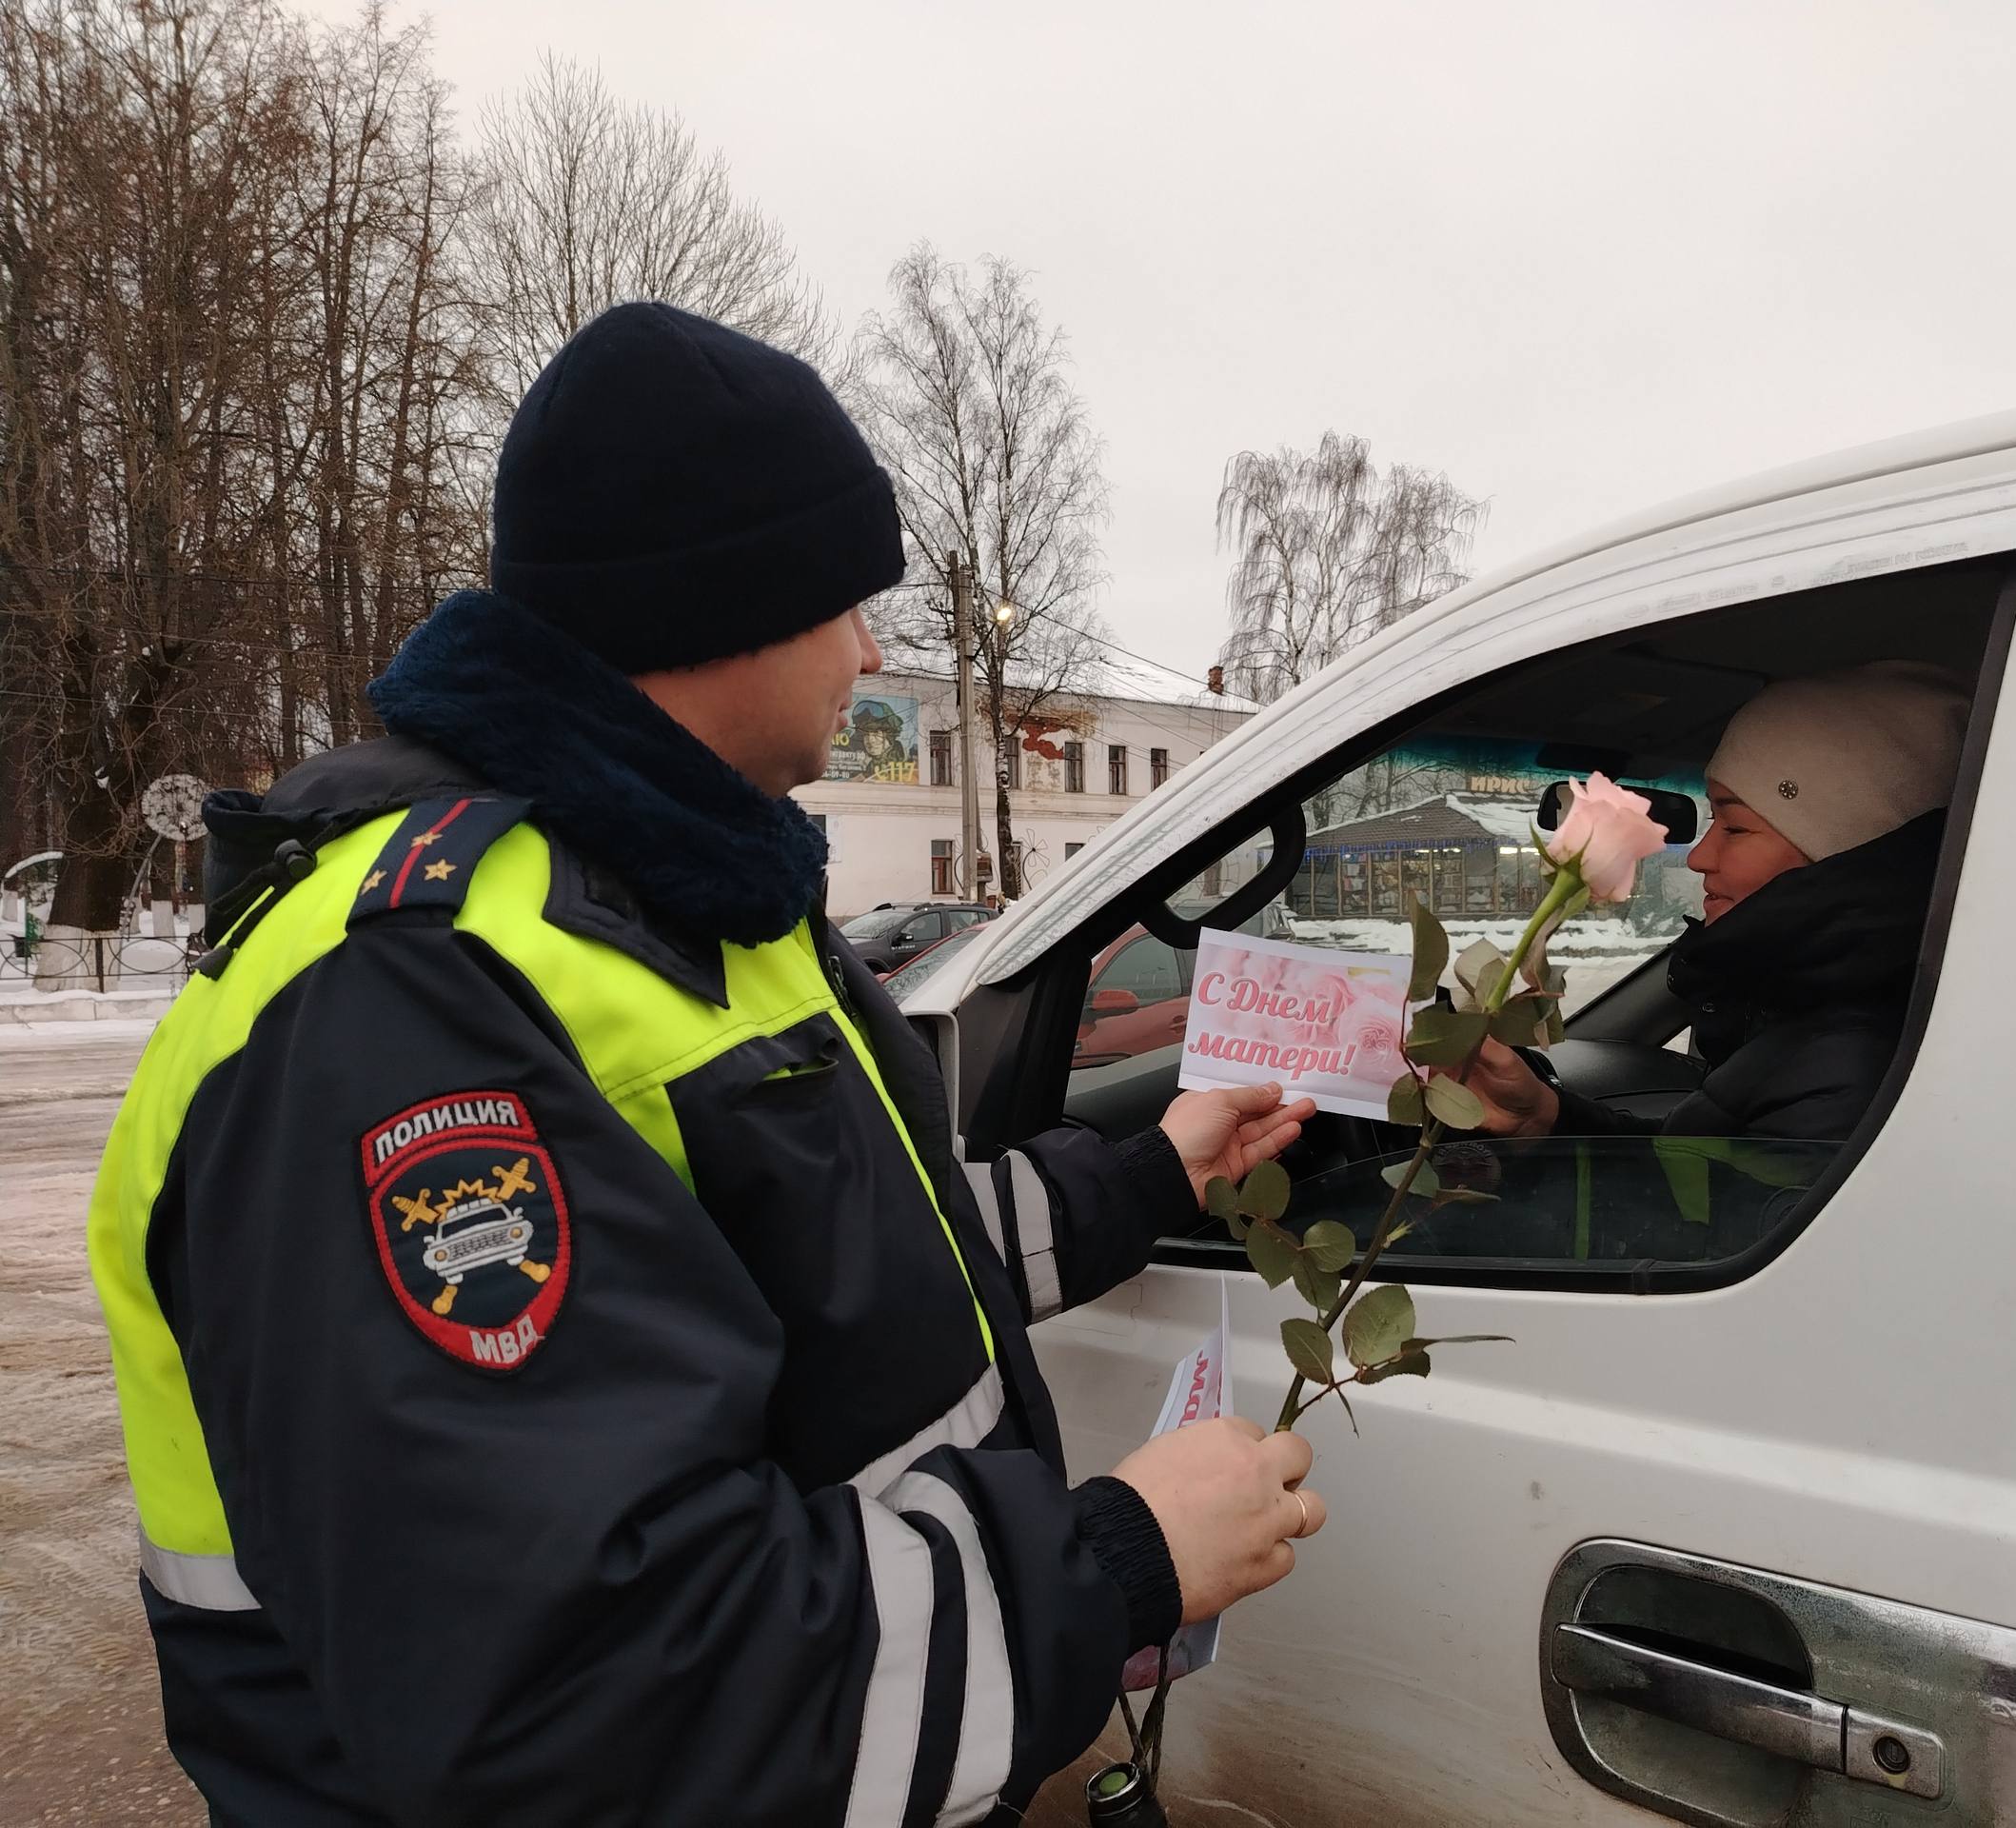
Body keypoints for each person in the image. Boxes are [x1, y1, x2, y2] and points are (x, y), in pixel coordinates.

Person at [88, 303, 1324, 1826]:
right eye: (849, 602)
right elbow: (597, 1701)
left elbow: (827, 1260)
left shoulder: (676, 903)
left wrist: (1154, 1170)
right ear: (727, 599)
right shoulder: (409, 995)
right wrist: (1114, 1561)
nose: (873, 652)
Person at [1457, 662, 1968, 1143]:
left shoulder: (1850, 1073)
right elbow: (1694, 1179)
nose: (1698, 857)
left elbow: (1700, 1231)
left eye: (1737, 826)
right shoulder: (1808, 1026)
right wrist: (1543, 1118)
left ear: (1847, 853)